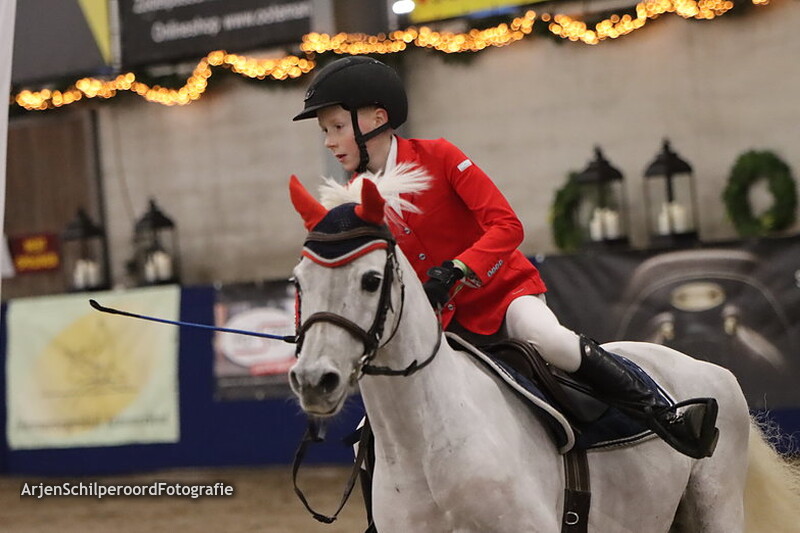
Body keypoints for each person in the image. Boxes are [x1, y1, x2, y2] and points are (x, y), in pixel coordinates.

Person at [292, 55, 718, 460]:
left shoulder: (440, 156)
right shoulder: (352, 198)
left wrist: (459, 268)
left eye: (334, 127)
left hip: (504, 296)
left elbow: (507, 226)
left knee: (553, 342)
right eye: (324, 132)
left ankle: (665, 415)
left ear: (376, 119)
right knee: (372, 435)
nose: (329, 142)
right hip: (439, 323)